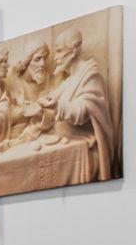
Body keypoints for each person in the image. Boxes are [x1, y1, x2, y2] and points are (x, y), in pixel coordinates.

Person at [49, 26, 120, 182]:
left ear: (73, 50)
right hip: (66, 143)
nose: (55, 57)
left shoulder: (91, 75)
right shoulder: (70, 79)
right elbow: (53, 98)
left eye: (60, 51)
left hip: (85, 150)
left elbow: (82, 112)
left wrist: (57, 107)